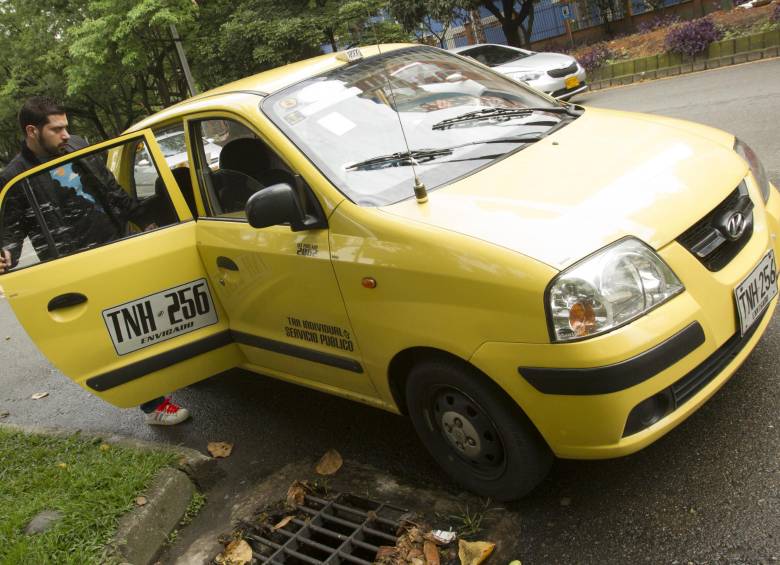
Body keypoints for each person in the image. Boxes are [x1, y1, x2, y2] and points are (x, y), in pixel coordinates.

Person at [0, 96, 189, 426]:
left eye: (66, 127)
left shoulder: (78, 147)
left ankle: (187, 368)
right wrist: (5, 256)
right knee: (125, 335)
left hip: (118, 248)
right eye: (56, 129)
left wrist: (145, 219)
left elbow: (112, 192)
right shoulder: (14, 178)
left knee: (157, 318)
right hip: (77, 269)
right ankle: (153, 406)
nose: (65, 135)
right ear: (32, 131)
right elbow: (9, 238)